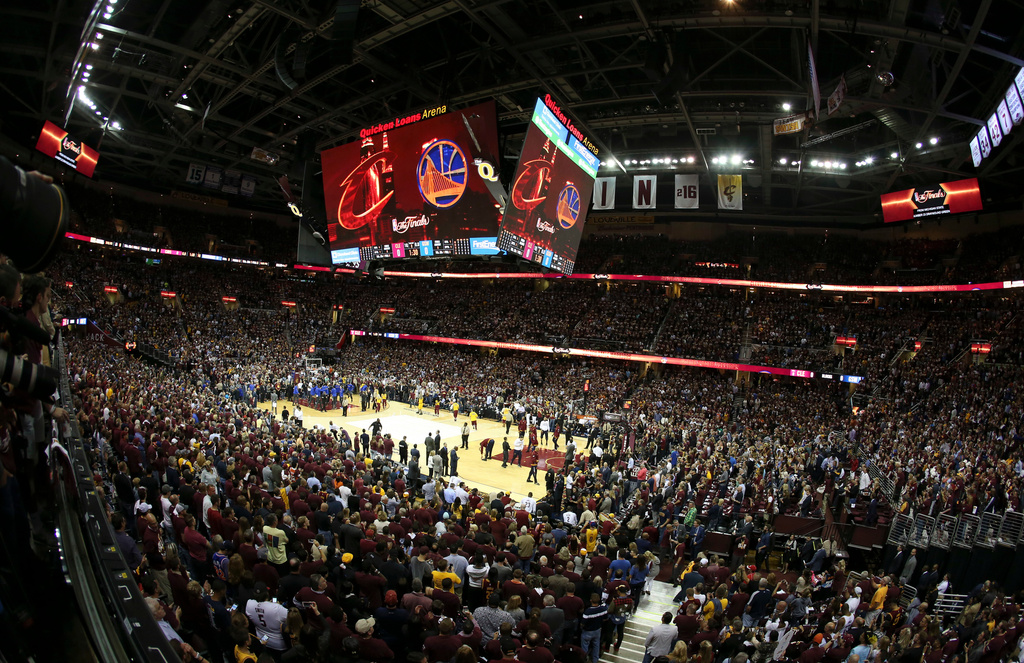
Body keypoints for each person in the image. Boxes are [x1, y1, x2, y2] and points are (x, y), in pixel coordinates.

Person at [580, 593, 607, 663]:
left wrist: (582, 627)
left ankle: (584, 659)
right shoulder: (603, 609)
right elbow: (605, 619)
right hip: (597, 630)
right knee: (596, 645)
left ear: (591, 600)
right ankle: (595, 659)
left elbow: (583, 623)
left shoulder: (587, 612)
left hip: (587, 631)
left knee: (585, 646)